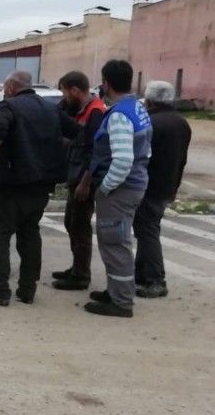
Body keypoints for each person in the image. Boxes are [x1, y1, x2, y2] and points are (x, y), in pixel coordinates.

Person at [0, 71, 80, 306]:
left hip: (11, 183)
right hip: (41, 184)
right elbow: (76, 133)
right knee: (30, 234)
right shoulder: (51, 109)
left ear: (10, 87)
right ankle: (27, 290)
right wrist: (52, 150)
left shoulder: (8, 107)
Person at [83, 60, 153, 318]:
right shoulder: (137, 108)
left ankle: (121, 302)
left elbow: (123, 159)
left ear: (106, 83)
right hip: (134, 185)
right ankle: (116, 290)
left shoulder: (120, 115)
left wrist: (105, 188)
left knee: (115, 243)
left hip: (119, 190)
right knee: (117, 241)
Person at [134, 81, 191, 299]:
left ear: (148, 100)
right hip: (167, 186)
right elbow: (182, 159)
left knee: (147, 232)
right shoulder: (181, 122)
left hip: (149, 185)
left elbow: (141, 157)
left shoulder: (151, 122)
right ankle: (142, 273)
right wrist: (175, 186)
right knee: (148, 230)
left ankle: (155, 279)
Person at [52, 71, 107, 290]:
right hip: (76, 175)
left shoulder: (95, 112)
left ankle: (81, 275)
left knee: (80, 224)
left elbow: (96, 151)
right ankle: (77, 267)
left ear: (74, 90)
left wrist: (86, 181)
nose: (63, 97)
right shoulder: (80, 109)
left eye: (64, 92)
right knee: (71, 222)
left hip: (86, 179)